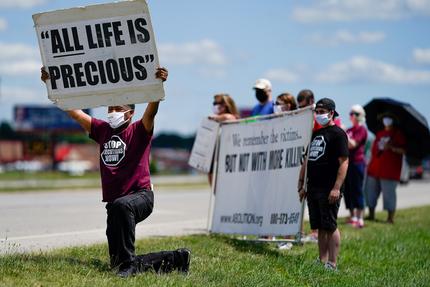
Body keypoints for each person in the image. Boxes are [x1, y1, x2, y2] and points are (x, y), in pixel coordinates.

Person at [40, 67, 191, 278]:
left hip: (140, 196)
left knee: (122, 209)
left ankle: (128, 267)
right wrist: (51, 85)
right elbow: (73, 112)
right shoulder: (102, 130)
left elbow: (151, 112)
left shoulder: (139, 130)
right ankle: (176, 259)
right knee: (117, 263)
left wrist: (158, 86)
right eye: (110, 108)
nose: (112, 113)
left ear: (130, 113)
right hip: (116, 204)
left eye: (118, 109)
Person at [298, 98, 349, 271]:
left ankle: (332, 263)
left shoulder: (338, 134)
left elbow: (344, 162)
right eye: (317, 112)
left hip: (329, 188)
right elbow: (307, 160)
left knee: (330, 225)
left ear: (331, 113)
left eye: (322, 112)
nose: (319, 115)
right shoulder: (315, 134)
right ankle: (322, 260)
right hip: (313, 187)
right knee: (319, 227)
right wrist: (301, 183)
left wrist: (336, 187)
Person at [364, 113, 406, 224]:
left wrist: (391, 147)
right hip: (374, 168)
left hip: (390, 170)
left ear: (393, 120)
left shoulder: (398, 134)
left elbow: (403, 150)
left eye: (389, 118)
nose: (386, 120)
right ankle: (371, 214)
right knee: (370, 192)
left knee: (389, 194)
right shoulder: (379, 134)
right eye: (385, 118)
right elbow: (374, 151)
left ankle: (390, 218)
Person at [208, 93, 240, 185]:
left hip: (228, 161)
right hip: (215, 161)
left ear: (226, 104)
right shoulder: (216, 122)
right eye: (214, 103)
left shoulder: (231, 118)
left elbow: (228, 117)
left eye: (218, 103)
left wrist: (215, 118)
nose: (215, 105)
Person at [344, 105, 368, 228]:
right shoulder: (349, 129)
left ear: (360, 116)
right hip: (347, 163)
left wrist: (344, 135)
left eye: (356, 113)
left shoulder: (362, 129)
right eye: (351, 113)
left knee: (357, 190)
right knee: (348, 191)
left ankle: (360, 218)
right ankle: (352, 216)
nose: (353, 115)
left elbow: (353, 144)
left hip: (357, 163)